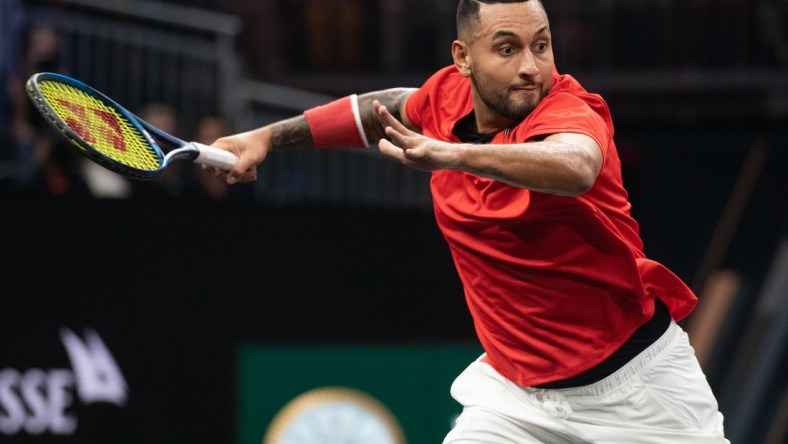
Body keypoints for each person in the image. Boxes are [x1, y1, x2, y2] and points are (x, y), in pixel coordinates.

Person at [208, 1, 729, 442]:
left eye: (541, 46)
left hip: (637, 388)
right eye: (507, 49)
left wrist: (453, 157)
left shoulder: (571, 110)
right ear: (463, 57)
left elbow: (575, 165)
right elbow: (384, 110)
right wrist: (267, 138)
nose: (531, 67)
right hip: (514, 398)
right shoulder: (444, 97)